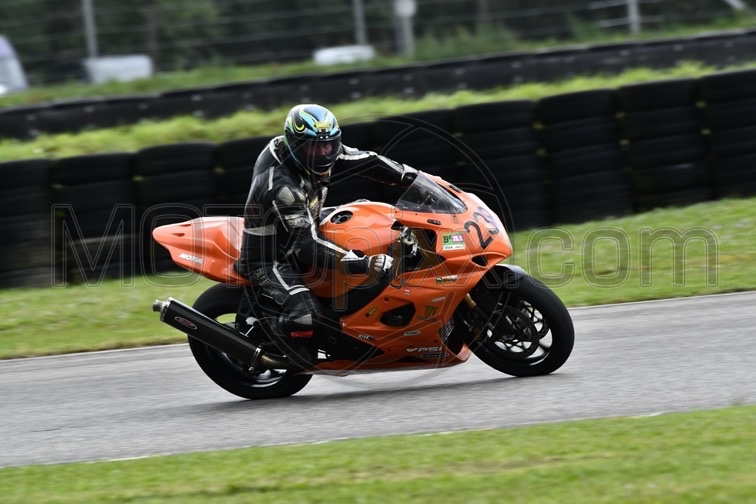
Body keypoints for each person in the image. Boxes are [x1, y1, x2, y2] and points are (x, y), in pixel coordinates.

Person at [236, 103, 418, 368]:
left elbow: (368, 161)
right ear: (295, 144)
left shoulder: (322, 150)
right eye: (314, 147)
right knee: (306, 317)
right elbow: (306, 246)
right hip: (272, 257)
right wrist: (363, 263)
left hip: (305, 223)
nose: (323, 154)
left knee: (368, 214)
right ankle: (275, 338)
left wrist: (414, 178)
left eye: (329, 145)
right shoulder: (281, 187)